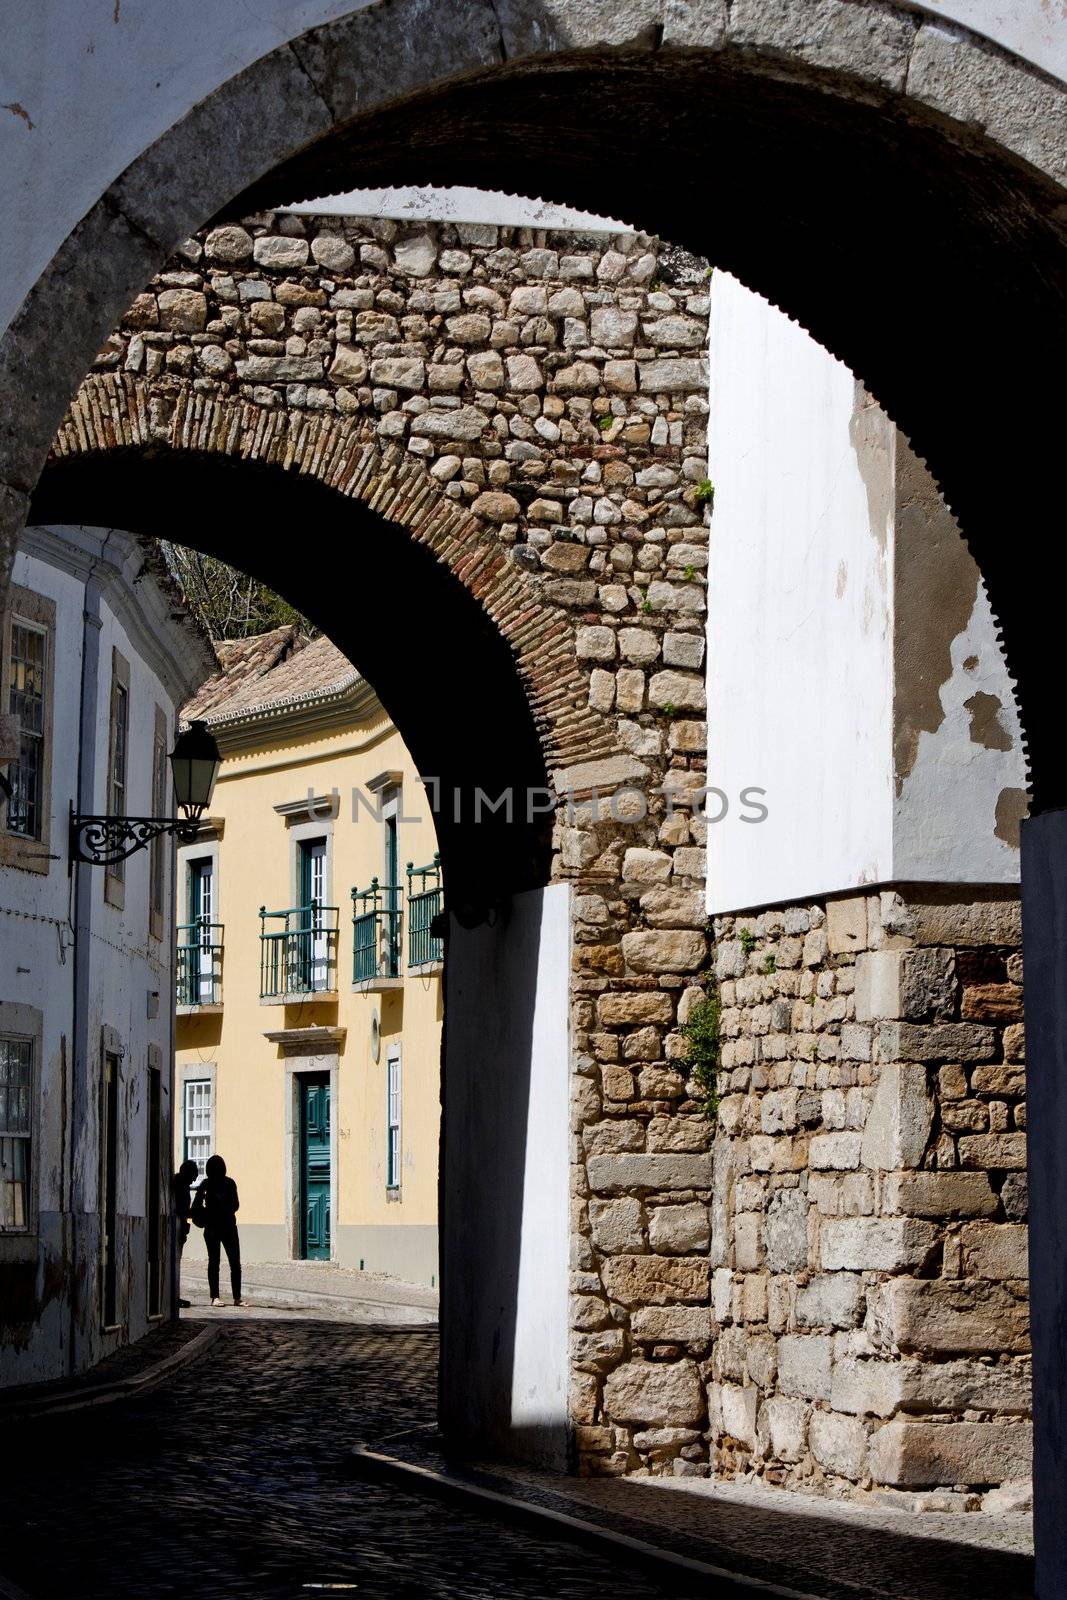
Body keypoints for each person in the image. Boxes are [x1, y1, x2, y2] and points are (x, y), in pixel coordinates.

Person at [191, 1154, 242, 1307]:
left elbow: (197, 1205)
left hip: (217, 1227)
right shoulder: (214, 1184)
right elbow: (235, 1205)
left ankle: (216, 1297)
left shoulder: (213, 1184)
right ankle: (234, 1297)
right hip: (222, 1227)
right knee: (232, 1262)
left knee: (216, 1262)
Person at [171, 1158, 199, 1308]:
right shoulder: (179, 1185)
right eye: (193, 1175)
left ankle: (175, 1295)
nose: (194, 1179)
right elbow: (180, 1209)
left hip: (181, 1226)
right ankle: (174, 1296)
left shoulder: (183, 1185)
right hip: (177, 1227)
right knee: (175, 1261)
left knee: (177, 1261)